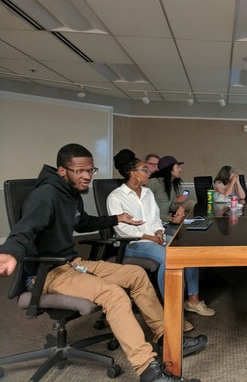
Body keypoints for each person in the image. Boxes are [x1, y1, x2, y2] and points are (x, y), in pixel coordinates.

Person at [0, 144, 206, 382]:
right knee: (113, 294)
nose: (87, 176)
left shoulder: (70, 192)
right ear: (62, 170)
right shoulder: (45, 195)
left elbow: (82, 223)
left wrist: (116, 218)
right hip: (47, 273)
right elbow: (25, 229)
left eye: (90, 170)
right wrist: (11, 252)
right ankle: (150, 372)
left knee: (136, 275)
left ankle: (168, 339)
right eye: (80, 171)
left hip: (71, 263)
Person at [110, 151, 215, 325]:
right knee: (170, 260)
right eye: (145, 169)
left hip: (154, 238)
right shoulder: (115, 196)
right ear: (132, 173)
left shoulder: (147, 193)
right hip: (133, 243)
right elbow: (122, 230)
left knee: (188, 251)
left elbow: (155, 219)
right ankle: (172, 314)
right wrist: (151, 237)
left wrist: (159, 232)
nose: (149, 172)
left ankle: (192, 300)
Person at [146, 156, 196, 224]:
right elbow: (146, 210)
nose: (180, 170)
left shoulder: (172, 184)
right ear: (170, 170)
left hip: (166, 222)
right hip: (155, 223)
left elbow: (171, 207)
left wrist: (181, 207)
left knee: (191, 203)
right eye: (177, 167)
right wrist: (171, 219)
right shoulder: (153, 182)